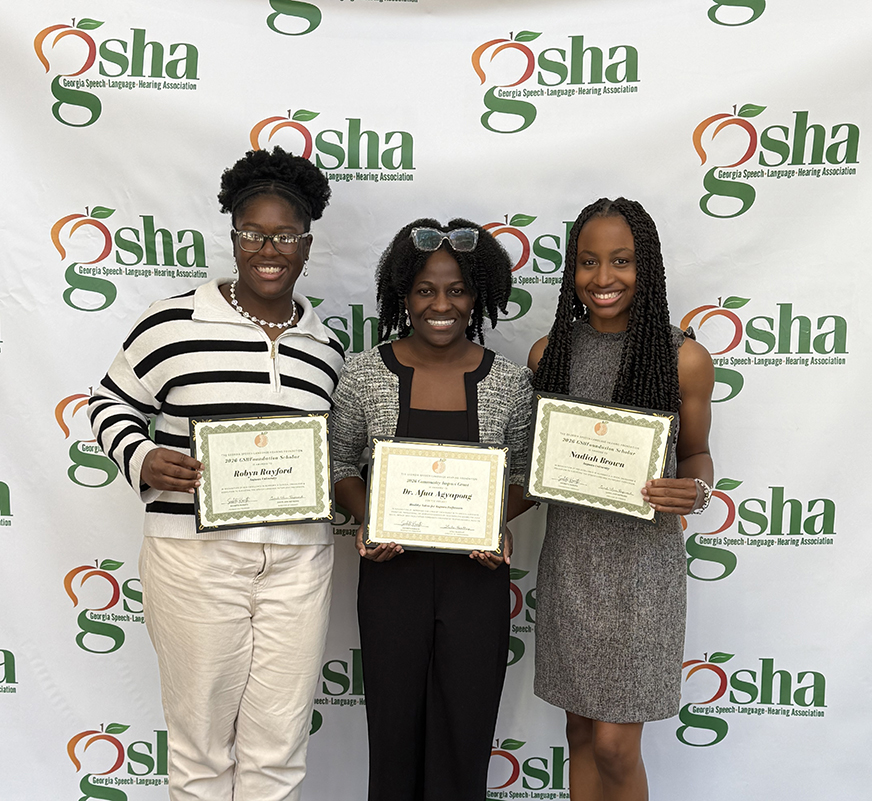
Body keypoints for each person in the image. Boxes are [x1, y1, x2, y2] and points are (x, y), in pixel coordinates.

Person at [88, 146, 345, 801]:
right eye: (253, 232)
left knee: (278, 748)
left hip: (298, 561)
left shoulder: (326, 346)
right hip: (194, 557)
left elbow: (336, 450)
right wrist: (142, 457)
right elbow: (109, 402)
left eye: (285, 235)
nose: (269, 248)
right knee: (201, 750)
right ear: (233, 235)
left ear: (307, 244)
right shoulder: (171, 321)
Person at [331, 218, 534, 801]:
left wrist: (497, 522)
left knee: (464, 738)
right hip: (392, 576)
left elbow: (526, 474)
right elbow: (341, 462)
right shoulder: (366, 373)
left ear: (478, 296)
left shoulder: (511, 383)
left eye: (457, 290)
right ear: (403, 295)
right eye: (425, 290)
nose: (441, 304)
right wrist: (368, 516)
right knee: (393, 737)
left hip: (478, 578)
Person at [528, 198, 715, 801]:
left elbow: (696, 457)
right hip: (572, 565)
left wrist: (695, 491)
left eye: (622, 261)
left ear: (649, 268)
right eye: (588, 261)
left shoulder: (683, 356)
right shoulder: (547, 354)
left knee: (614, 744)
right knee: (579, 729)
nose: (603, 278)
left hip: (643, 573)